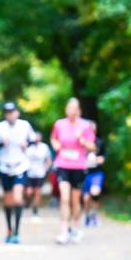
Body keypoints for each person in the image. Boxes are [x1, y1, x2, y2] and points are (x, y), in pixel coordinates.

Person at [0, 102, 35, 244]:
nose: (10, 114)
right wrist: (2, 144)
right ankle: (9, 229)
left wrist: (27, 144)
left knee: (18, 197)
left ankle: (17, 231)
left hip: (20, 166)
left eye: (12, 112)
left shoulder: (24, 125)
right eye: (7, 112)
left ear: (17, 112)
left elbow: (33, 140)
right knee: (8, 201)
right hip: (5, 167)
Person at [50, 97, 96, 244]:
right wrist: (56, 144)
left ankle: (75, 228)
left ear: (78, 110)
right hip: (63, 164)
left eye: (74, 109)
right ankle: (64, 230)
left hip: (78, 166)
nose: (71, 111)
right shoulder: (59, 124)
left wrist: (82, 140)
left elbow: (92, 146)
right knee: (64, 198)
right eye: (69, 108)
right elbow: (53, 138)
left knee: (75, 201)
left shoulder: (85, 126)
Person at [24, 131, 53, 217]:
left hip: (40, 173)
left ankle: (35, 209)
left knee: (38, 192)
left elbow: (49, 159)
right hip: (29, 173)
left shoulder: (44, 147)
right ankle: (28, 202)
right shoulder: (28, 147)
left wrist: (45, 169)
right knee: (29, 192)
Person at [82, 133, 106, 227]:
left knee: (95, 192)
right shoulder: (81, 142)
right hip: (85, 174)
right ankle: (87, 216)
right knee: (86, 198)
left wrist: (100, 159)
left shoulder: (99, 142)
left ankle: (94, 216)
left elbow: (104, 157)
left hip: (97, 173)